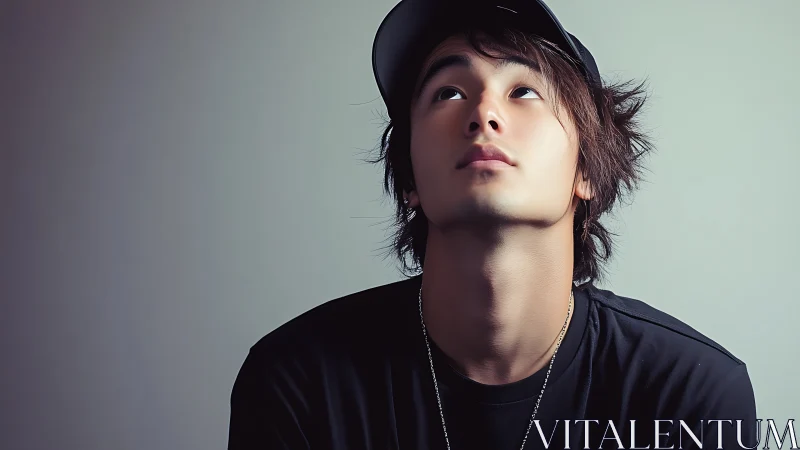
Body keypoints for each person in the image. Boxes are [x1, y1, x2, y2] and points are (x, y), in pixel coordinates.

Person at [228, 0, 758, 448]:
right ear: (409, 176)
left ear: (586, 171)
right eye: (448, 92)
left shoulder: (691, 396)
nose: (483, 113)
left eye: (524, 90)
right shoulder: (297, 382)